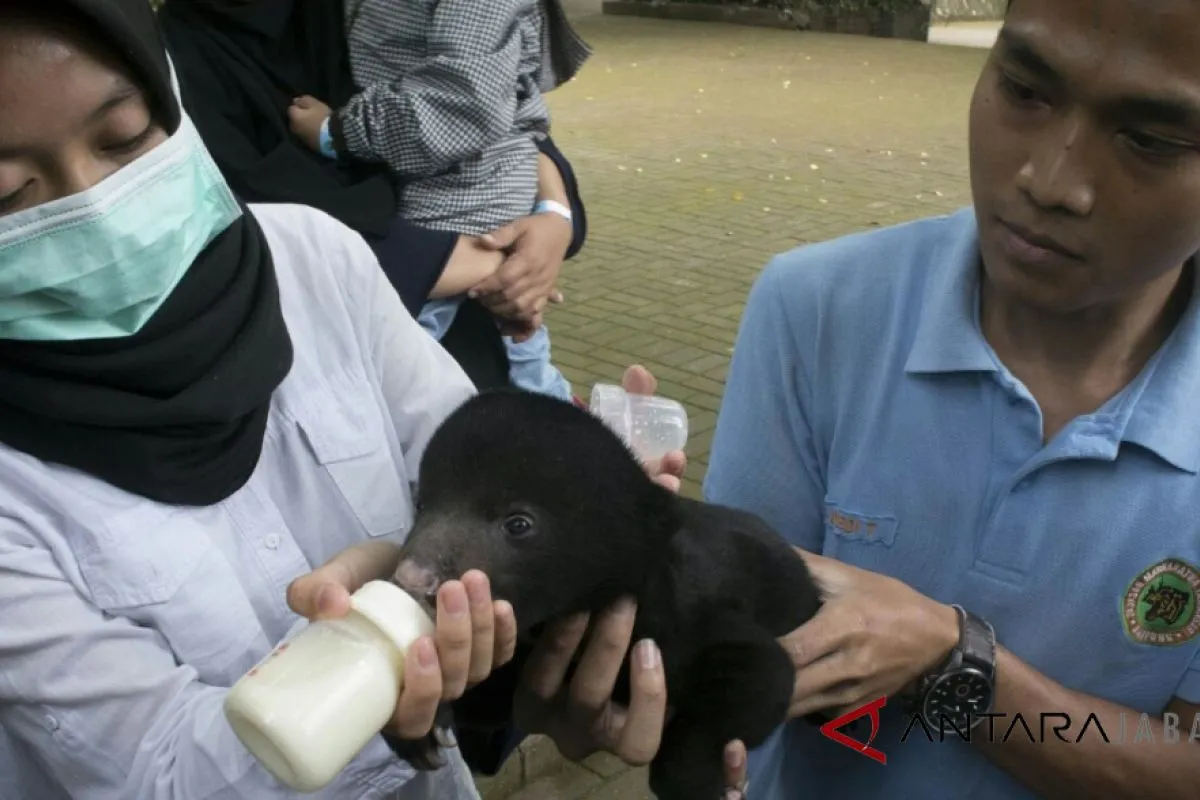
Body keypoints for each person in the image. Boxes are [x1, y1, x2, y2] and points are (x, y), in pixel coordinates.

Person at [0, 2, 747, 798]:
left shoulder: (313, 260)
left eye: (124, 138)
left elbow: (479, 462)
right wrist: (383, 676)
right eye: (6, 189)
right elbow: (161, 768)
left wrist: (568, 571)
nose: (95, 204)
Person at [703, 0, 1200, 798]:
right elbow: (732, 648)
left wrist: (955, 663)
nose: (1050, 181)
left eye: (1149, 139)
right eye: (1025, 89)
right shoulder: (819, 312)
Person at [155, 0, 588, 394]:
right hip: (350, 337)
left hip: (474, 291)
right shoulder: (173, 60)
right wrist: (471, 262)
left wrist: (554, 213)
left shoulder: (342, 9)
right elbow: (245, 225)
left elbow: (499, 111)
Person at [285, 0, 585, 403]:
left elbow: (463, 102)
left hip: (462, 196)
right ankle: (563, 420)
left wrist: (336, 131)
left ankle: (565, 426)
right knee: (519, 350)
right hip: (462, 193)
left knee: (405, 364)